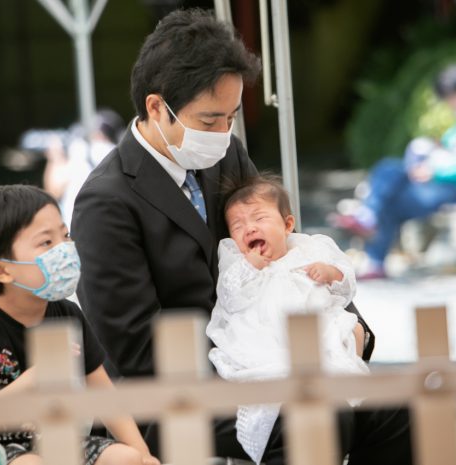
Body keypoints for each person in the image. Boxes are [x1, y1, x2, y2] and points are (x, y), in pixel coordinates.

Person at [71, 8, 408, 464]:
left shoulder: (225, 155)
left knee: (398, 408)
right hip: (172, 388)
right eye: (209, 121)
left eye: (231, 117)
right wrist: (255, 367)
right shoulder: (105, 203)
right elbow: (133, 346)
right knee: (316, 417)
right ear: (156, 107)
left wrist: (350, 326)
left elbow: (284, 250)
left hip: (271, 356)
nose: (223, 133)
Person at [0, 184, 160, 465]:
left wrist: (144, 455)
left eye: (65, 235)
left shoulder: (67, 314)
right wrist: (34, 378)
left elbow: (105, 395)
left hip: (59, 437)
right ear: (1, 269)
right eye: (46, 243)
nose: (65, 250)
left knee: (127, 458)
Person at [207, 175, 369, 463]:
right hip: (265, 338)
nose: (249, 228)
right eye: (238, 225)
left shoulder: (310, 249)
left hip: (315, 334)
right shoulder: (236, 258)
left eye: (258, 218)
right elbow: (228, 296)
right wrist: (248, 268)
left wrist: (330, 273)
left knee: (342, 337)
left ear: (288, 224)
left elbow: (346, 286)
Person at [332, 64, 456, 279]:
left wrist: (435, 171)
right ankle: (369, 221)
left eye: (450, 99)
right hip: (446, 182)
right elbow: (450, 144)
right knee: (389, 168)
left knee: (391, 196)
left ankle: (373, 246)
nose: (450, 105)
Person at [42, 109, 125, 228]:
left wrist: (55, 157)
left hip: (79, 231)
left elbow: (53, 191)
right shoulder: (119, 154)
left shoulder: (80, 150)